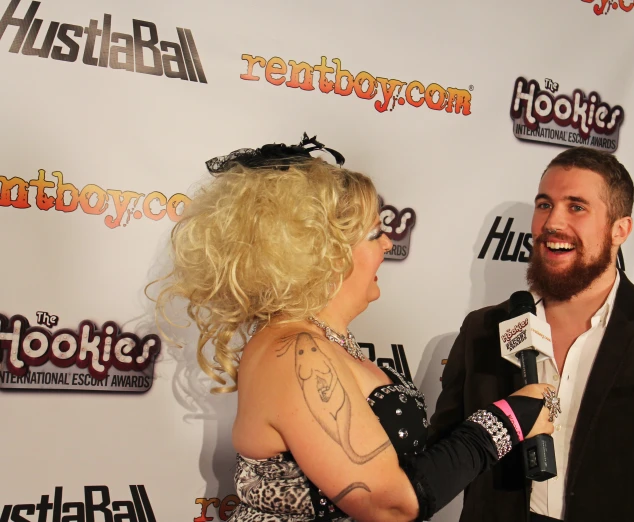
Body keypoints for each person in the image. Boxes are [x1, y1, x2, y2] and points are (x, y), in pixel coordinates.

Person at [151, 133, 559, 522]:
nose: (387, 245)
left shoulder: (329, 344)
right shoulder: (291, 352)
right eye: (375, 234)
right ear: (321, 251)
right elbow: (389, 505)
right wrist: (506, 422)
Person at [429, 146, 634, 522]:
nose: (552, 222)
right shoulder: (483, 330)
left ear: (620, 229)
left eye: (576, 207)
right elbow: (444, 456)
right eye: (544, 204)